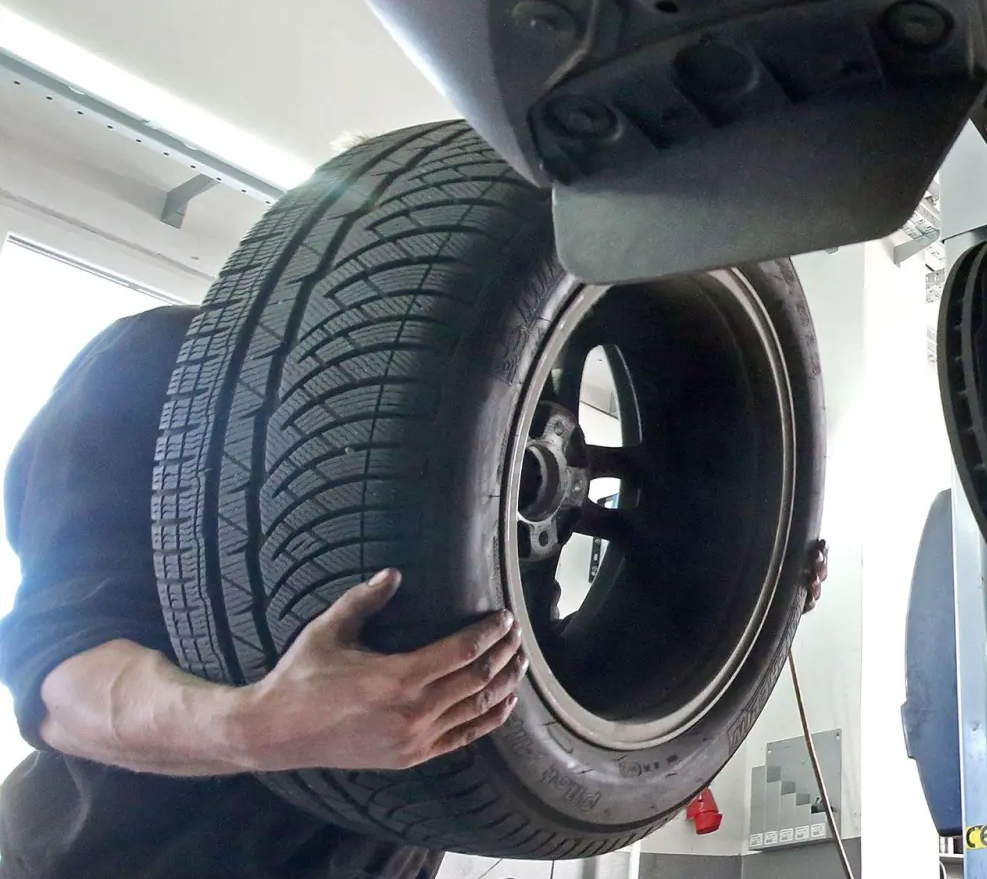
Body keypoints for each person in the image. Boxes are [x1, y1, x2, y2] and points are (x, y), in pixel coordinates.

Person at [0, 305, 828, 879]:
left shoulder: (492, 436)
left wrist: (741, 583)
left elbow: (573, 676)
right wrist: (257, 726)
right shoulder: (168, 363)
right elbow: (58, 678)